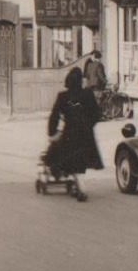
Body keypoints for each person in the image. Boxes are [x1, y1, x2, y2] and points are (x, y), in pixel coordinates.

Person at [44, 67, 104, 200]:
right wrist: (88, 125)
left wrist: (52, 132)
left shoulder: (63, 96)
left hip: (70, 133)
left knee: (67, 158)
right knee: (80, 162)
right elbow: (96, 114)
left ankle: (81, 188)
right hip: (86, 134)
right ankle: (79, 186)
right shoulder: (88, 94)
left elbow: (54, 116)